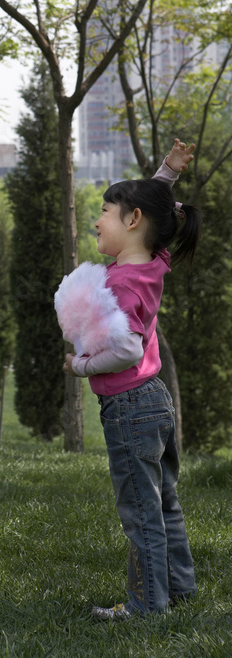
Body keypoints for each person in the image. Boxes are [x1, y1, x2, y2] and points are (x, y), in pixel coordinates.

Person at [64, 138, 200, 620]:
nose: (98, 220)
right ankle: (180, 589)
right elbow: (155, 211)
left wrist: (80, 365)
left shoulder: (122, 282)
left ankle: (146, 605)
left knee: (141, 511)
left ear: (132, 221)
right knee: (164, 503)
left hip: (129, 410)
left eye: (104, 210)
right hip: (155, 402)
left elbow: (123, 349)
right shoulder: (152, 262)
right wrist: (166, 172)